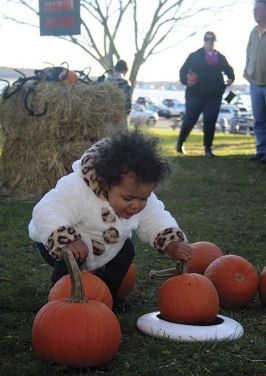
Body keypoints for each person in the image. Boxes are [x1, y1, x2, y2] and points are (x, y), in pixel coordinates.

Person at [28, 130, 192, 313]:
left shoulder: (138, 195)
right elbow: (46, 210)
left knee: (126, 250)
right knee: (70, 260)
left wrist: (170, 241)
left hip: (106, 248)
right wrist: (67, 240)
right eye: (128, 198)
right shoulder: (77, 188)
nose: (136, 206)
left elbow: (155, 218)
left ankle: (108, 295)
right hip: (60, 243)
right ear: (105, 183)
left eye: (143, 198)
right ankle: (62, 301)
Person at [176, 31, 235, 157]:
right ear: (203, 41)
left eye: (212, 39)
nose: (209, 41)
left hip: (214, 96)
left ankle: (208, 149)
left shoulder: (220, 57)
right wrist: (186, 81)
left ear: (215, 41)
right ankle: (180, 143)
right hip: (195, 94)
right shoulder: (195, 55)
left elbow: (229, 71)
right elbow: (183, 71)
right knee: (190, 120)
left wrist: (231, 78)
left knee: (210, 122)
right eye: (207, 39)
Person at [243, 0, 266, 163]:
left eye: (258, 9)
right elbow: (248, 53)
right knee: (259, 120)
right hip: (255, 84)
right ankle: (261, 151)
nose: (254, 12)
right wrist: (247, 70)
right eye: (253, 9)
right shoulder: (252, 32)